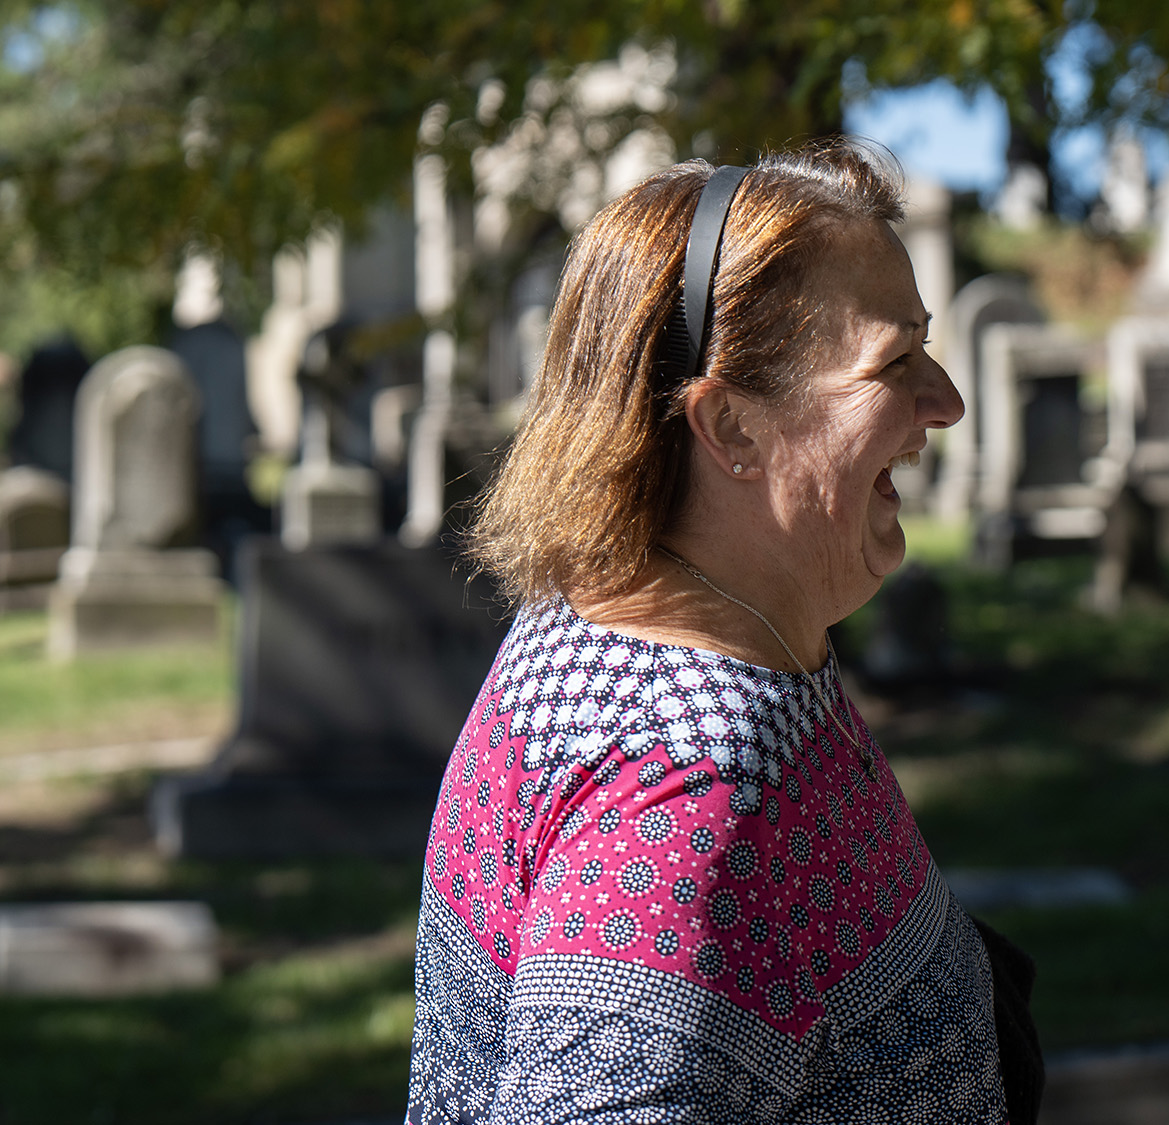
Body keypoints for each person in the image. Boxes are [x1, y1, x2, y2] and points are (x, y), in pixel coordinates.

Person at [408, 140, 1038, 1123]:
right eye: (894, 361)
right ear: (732, 428)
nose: (943, 403)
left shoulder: (634, 623)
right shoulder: (681, 799)